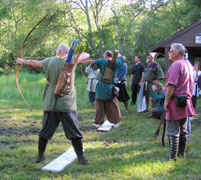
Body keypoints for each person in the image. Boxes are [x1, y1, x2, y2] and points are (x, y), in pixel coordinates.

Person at [16, 43, 90, 164]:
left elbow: (34, 63)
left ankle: (40, 156)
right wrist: (74, 56)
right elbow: (87, 54)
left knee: (45, 131)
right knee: (74, 132)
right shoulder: (72, 60)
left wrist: (22, 61)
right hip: (67, 104)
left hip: (51, 103)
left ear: (59, 52)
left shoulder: (49, 60)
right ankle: (81, 158)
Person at [164, 43, 194, 161]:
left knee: (173, 130)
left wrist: (166, 101)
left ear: (176, 53)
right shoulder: (188, 64)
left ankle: (173, 157)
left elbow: (171, 85)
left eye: (170, 51)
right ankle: (181, 154)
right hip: (185, 101)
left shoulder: (177, 64)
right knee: (183, 129)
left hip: (176, 102)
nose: (169, 53)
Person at [81, 50, 124, 128]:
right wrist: (119, 55)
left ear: (106, 56)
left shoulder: (102, 61)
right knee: (113, 105)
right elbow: (122, 58)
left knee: (100, 105)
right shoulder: (117, 62)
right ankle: (115, 122)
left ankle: (98, 122)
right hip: (111, 86)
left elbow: (90, 61)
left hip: (101, 85)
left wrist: (79, 61)